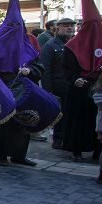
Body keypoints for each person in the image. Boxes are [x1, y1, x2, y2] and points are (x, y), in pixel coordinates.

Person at [0, 0, 43, 167]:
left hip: (22, 89)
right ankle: (0, 154)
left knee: (22, 124)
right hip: (2, 90)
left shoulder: (28, 47)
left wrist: (29, 70)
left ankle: (19, 154)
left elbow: (39, 68)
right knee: (2, 125)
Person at [60, 0, 102, 162]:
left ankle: (98, 150)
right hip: (80, 88)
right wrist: (74, 78)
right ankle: (76, 148)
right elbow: (66, 69)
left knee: (99, 120)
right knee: (78, 121)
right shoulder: (72, 46)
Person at [39, 18, 76, 149]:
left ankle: (69, 139)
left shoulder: (76, 44)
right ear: (57, 28)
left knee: (72, 115)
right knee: (60, 115)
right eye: (66, 26)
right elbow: (46, 69)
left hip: (74, 86)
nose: (69, 28)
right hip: (58, 86)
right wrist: (48, 90)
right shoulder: (50, 46)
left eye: (71, 26)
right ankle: (58, 139)